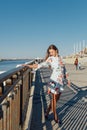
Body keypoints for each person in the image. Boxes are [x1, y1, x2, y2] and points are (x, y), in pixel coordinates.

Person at [22, 44, 70, 124]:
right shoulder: (50, 59)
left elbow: (64, 69)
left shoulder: (61, 58)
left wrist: (68, 79)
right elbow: (41, 65)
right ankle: (55, 117)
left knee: (56, 100)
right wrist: (28, 66)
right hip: (54, 81)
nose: (51, 53)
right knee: (54, 99)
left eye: (52, 52)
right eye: (50, 52)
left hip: (61, 81)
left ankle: (47, 112)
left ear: (56, 50)